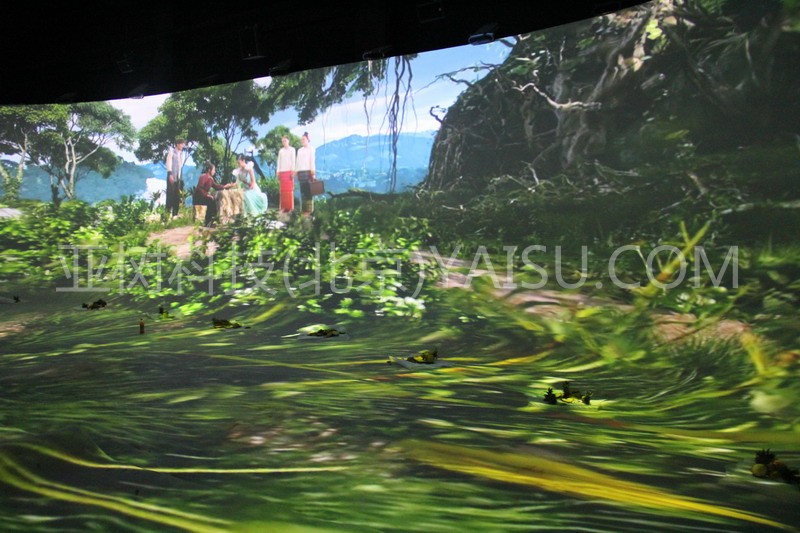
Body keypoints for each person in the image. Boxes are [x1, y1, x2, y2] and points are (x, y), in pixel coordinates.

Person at [193, 161, 233, 227]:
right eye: (214, 170)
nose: (214, 171)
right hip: (198, 197)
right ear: (209, 170)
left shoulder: (210, 179)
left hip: (203, 196)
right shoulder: (203, 176)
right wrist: (206, 195)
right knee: (211, 202)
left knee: (214, 202)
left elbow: (216, 186)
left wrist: (225, 186)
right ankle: (208, 222)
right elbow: (199, 187)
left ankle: (210, 221)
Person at [295, 132, 316, 217]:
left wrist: (313, 173)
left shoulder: (311, 149)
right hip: (301, 173)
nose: (302, 141)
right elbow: (297, 162)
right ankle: (303, 211)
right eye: (301, 139)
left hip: (308, 172)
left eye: (304, 139)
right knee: (303, 192)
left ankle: (309, 211)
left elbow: (312, 161)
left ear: (308, 140)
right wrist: (296, 171)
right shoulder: (299, 150)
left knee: (309, 192)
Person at [165, 137, 186, 218]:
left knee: (177, 196)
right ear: (178, 144)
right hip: (171, 175)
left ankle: (175, 214)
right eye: (181, 144)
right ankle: (167, 214)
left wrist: (179, 177)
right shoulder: (171, 152)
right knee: (170, 195)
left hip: (178, 177)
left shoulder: (181, 154)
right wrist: (170, 174)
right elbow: (168, 163)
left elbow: (180, 166)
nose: (182, 146)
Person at [276, 136, 296, 214]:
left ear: (288, 141)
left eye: (285, 141)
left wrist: (292, 171)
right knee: (283, 190)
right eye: (283, 141)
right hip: (282, 172)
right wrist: (278, 171)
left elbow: (293, 161)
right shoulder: (281, 151)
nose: (284, 142)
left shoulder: (292, 150)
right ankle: (283, 207)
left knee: (289, 190)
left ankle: (290, 208)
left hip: (289, 172)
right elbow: (279, 161)